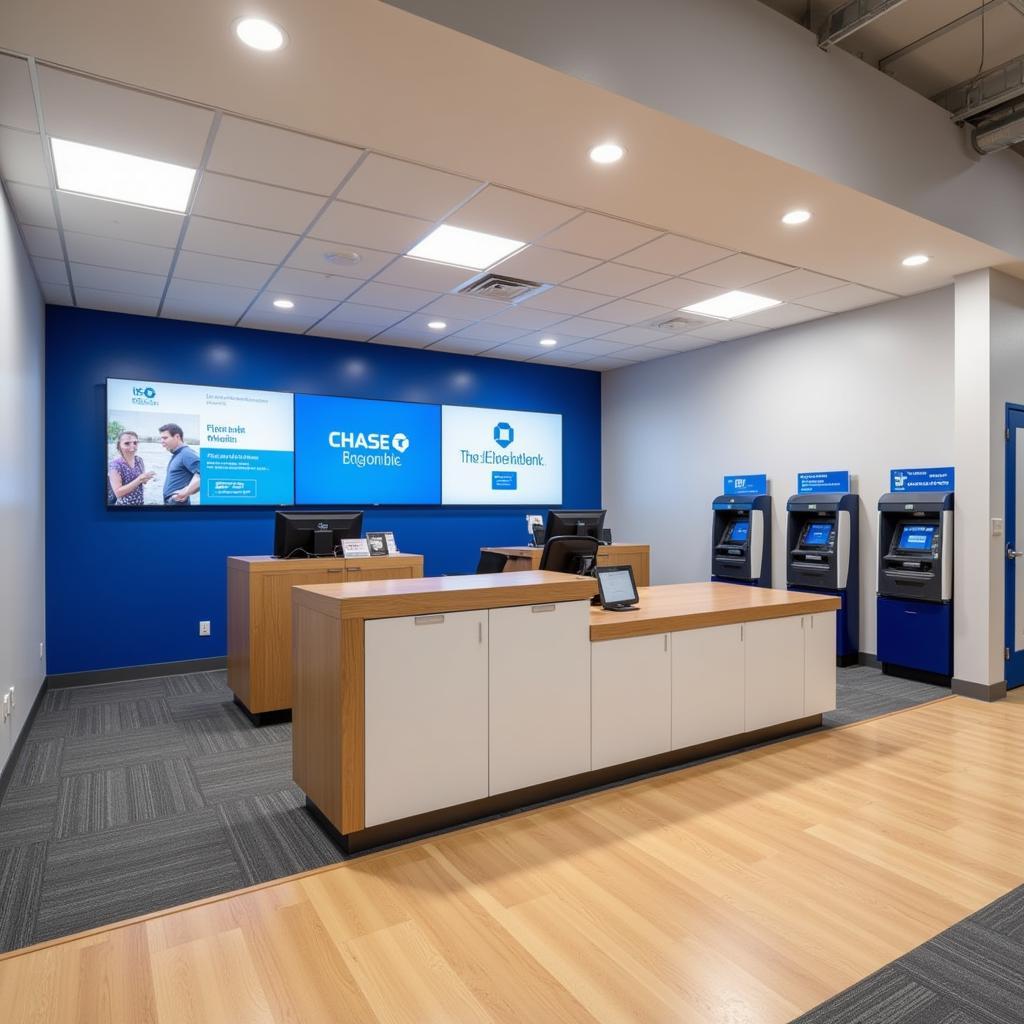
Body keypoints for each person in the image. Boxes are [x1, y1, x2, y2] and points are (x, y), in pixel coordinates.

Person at [107, 430, 155, 506]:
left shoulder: (139, 460)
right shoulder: (115, 465)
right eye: (127, 443)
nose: (132, 446)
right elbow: (118, 493)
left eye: (135, 443)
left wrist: (146, 478)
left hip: (140, 503)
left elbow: (142, 482)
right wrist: (139, 479)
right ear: (119, 445)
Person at [159, 422, 200, 505]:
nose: (162, 441)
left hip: (178, 503)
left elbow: (205, 473)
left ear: (177, 437)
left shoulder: (186, 454)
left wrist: (186, 491)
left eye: (165, 438)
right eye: (161, 438)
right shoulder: (177, 454)